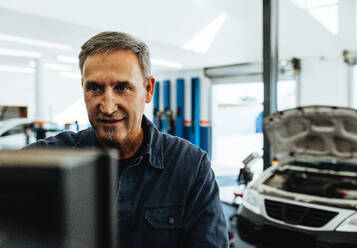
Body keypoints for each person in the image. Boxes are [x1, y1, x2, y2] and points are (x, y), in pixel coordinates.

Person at [26, 31, 228, 248]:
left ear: (148, 90)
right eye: (95, 88)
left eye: (122, 88)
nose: (108, 106)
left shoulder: (190, 166)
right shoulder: (46, 161)